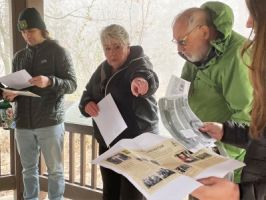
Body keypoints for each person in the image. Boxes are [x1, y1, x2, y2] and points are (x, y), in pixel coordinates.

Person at [191, 0, 266, 199]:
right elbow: (263, 137)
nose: (248, 23)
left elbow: (243, 109)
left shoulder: (239, 55)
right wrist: (227, 132)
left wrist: (238, 192)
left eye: (255, 14)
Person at [172, 1, 253, 182]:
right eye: (176, 42)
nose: (179, 50)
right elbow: (185, 90)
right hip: (198, 150)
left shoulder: (237, 57)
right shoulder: (198, 52)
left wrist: (219, 161)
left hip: (225, 165)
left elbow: (245, 119)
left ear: (204, 32)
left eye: (182, 41)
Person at [3, 8, 77, 200]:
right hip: (23, 124)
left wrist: (50, 81)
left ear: (42, 29)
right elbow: (17, 88)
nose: (27, 36)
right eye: (24, 32)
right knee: (28, 170)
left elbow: (72, 84)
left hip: (50, 121)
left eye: (31, 31)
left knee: (55, 170)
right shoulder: (19, 57)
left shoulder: (58, 52)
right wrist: (11, 94)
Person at [79, 24, 159, 200]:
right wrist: (87, 104)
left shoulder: (139, 63)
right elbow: (87, 94)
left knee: (133, 195)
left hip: (136, 144)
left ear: (128, 46)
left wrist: (142, 82)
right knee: (110, 193)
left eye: (117, 47)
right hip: (108, 144)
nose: (112, 53)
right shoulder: (102, 69)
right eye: (107, 48)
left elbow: (147, 77)